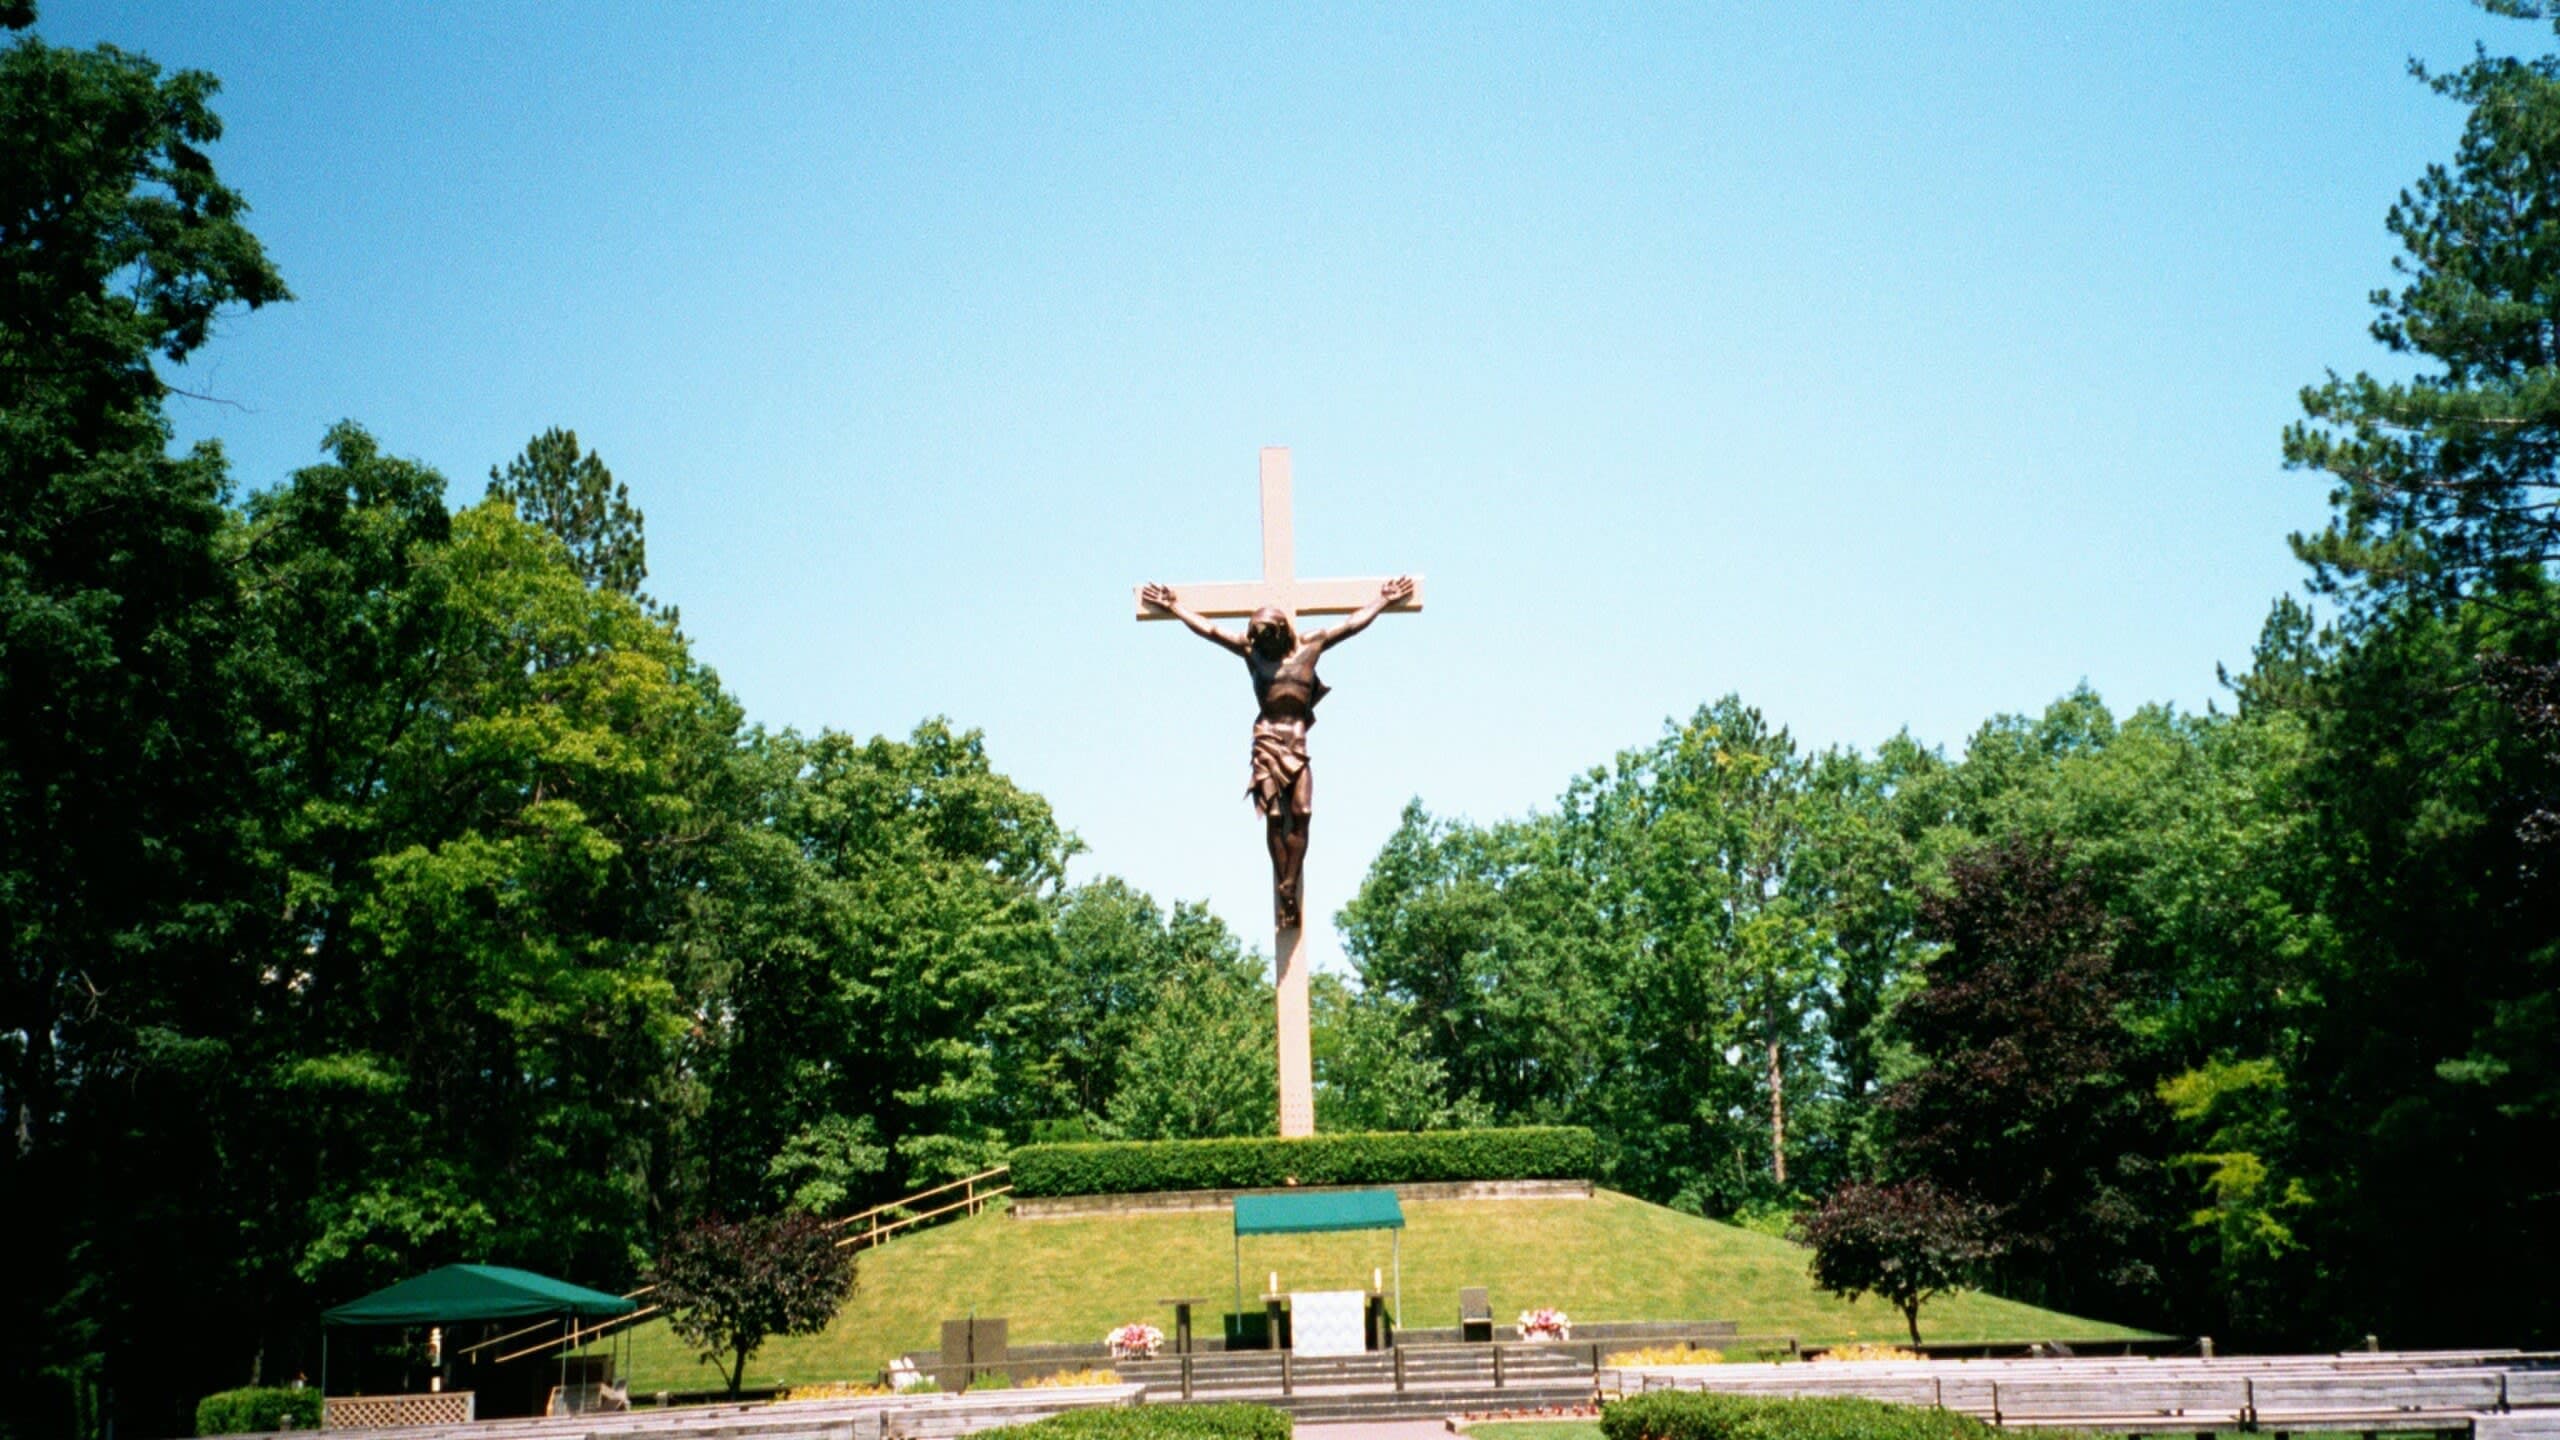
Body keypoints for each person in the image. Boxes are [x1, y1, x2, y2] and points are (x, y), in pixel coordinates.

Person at [1140, 575, 1416, 928]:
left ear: (1282, 631)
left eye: (1267, 637)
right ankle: (1284, 888)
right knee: (1273, 817)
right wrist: (1175, 607)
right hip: (1268, 741)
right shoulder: (1252, 654)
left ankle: (1289, 881)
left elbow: (1350, 625)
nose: (1261, 643)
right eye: (1257, 638)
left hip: (1298, 742)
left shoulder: (1310, 647)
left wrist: (1382, 600)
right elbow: (1210, 630)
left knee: (1302, 811)